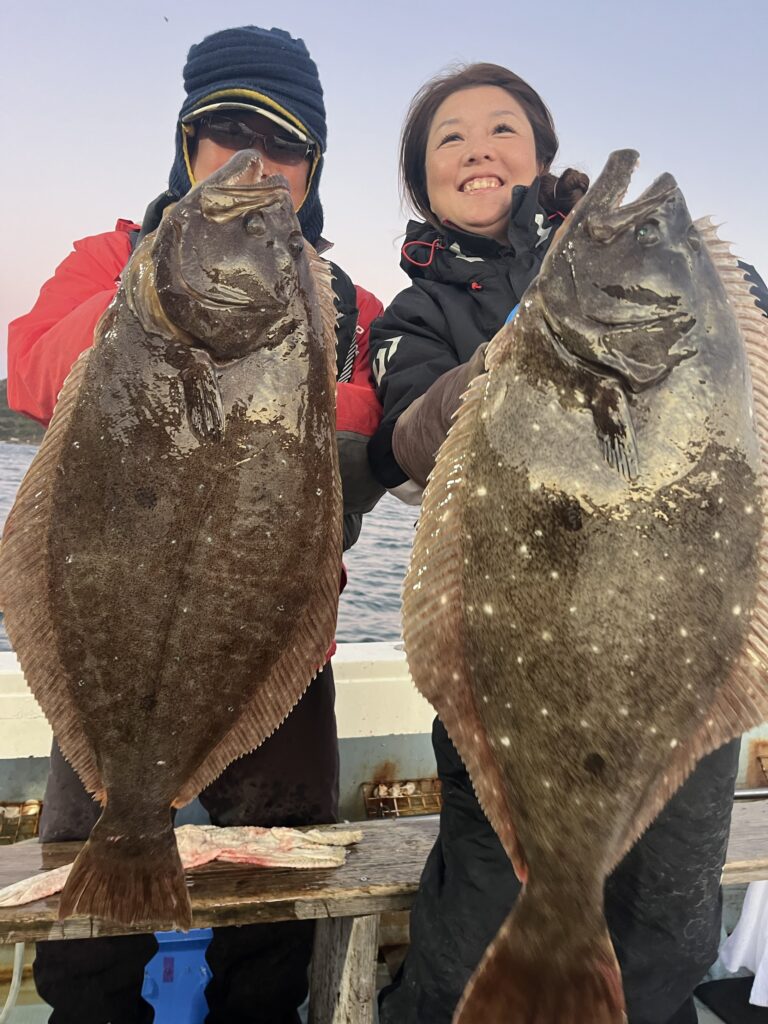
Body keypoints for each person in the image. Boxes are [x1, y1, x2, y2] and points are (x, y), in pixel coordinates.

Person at [367, 62, 767, 1024]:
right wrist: (517, 343)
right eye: (450, 138)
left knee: (667, 936)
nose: (478, 149)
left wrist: (695, 278)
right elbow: (406, 444)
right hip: (513, 672)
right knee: (477, 927)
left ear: (541, 154)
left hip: (681, 663)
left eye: (502, 129)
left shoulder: (627, 272)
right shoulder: (419, 314)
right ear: (423, 183)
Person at [7, 25, 384, 1024]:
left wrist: (308, 358)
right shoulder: (111, 260)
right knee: (89, 955)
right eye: (228, 134)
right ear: (186, 145)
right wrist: (151, 292)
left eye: (285, 144)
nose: (255, 160)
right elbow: (33, 370)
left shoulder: (354, 304)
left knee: (274, 930)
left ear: (315, 166)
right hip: (113, 642)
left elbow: (379, 437)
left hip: (271, 646)